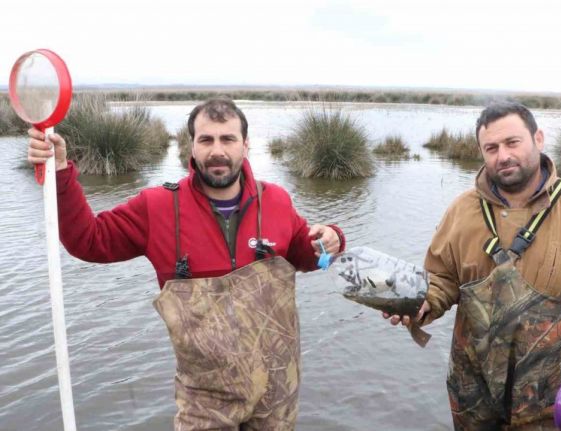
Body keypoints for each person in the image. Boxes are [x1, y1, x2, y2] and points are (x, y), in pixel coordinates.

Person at [27, 97, 345, 431]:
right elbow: (89, 241)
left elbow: (305, 254)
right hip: (205, 404)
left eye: (228, 139)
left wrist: (330, 239)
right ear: (191, 146)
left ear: (246, 145)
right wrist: (60, 172)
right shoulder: (158, 206)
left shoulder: (276, 200)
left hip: (278, 394)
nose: (217, 151)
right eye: (206, 140)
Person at [386, 102, 561, 429]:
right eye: (491, 148)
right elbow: (441, 279)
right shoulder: (461, 211)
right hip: (473, 397)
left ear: (538, 138)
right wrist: (418, 305)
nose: (502, 155)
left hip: (555, 399)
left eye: (512, 142)